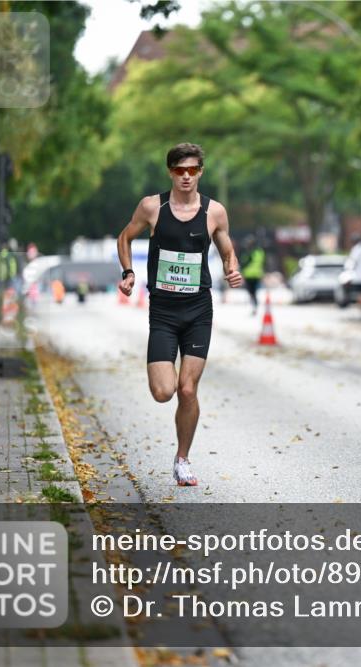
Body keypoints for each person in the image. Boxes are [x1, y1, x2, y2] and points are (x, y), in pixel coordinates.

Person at [116, 142, 244, 486]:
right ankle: (181, 449)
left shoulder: (214, 211)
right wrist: (128, 272)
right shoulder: (152, 207)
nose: (186, 177)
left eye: (192, 170)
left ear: (200, 172)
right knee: (164, 391)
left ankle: (182, 459)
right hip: (163, 312)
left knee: (187, 390)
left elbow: (227, 247)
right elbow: (125, 237)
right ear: (170, 172)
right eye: (179, 170)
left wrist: (233, 268)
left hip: (199, 309)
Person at [240, 235, 265, 314]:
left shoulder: (248, 252)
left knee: (251, 292)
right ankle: (255, 306)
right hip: (257, 275)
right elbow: (263, 263)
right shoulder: (260, 252)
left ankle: (254, 306)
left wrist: (241, 270)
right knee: (254, 292)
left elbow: (244, 262)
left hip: (249, 275)